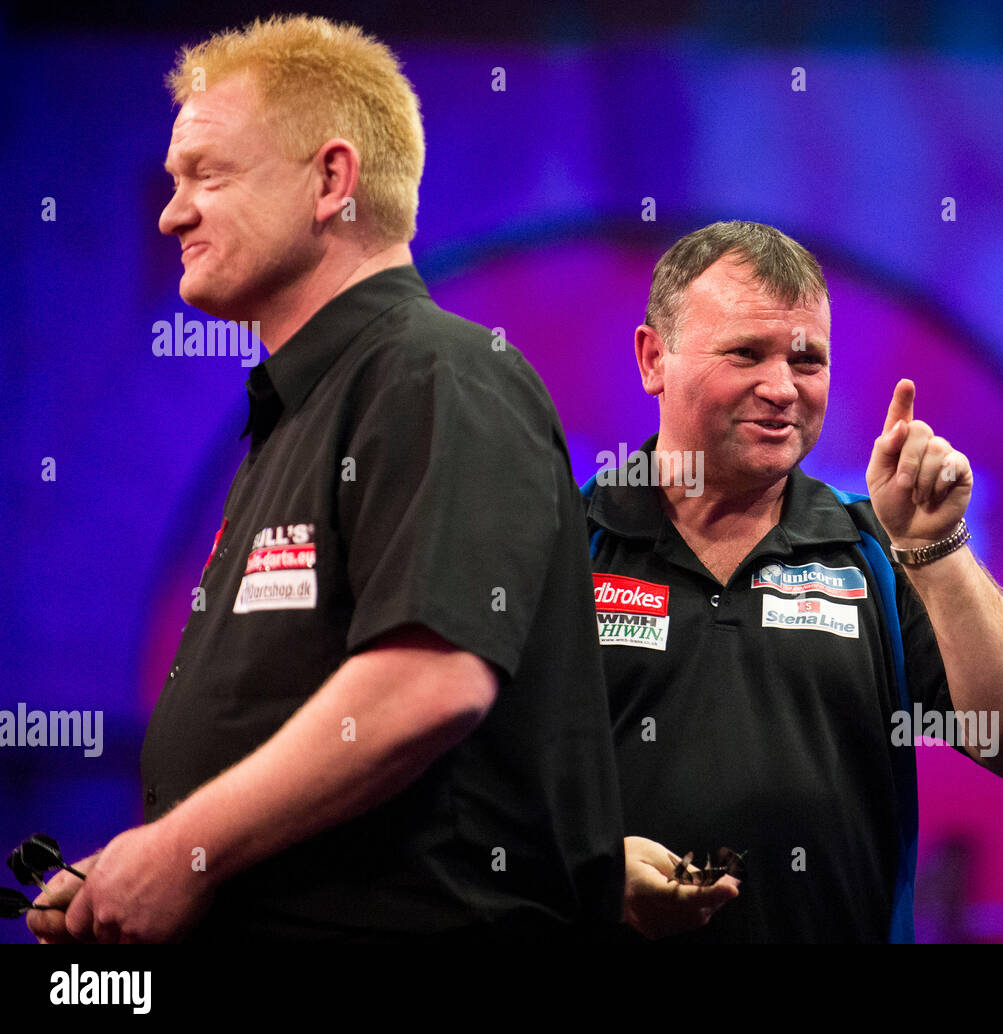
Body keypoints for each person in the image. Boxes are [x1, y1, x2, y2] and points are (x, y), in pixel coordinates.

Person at [28, 14, 623, 943]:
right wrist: (136, 872)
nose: (170, 212)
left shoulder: (438, 375)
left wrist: (184, 849)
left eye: (207, 176)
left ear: (331, 182)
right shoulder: (309, 409)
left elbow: (429, 680)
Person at [586, 220, 1003, 943]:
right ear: (654, 357)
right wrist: (587, 866)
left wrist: (936, 547)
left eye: (806, 358)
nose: (781, 387)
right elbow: (474, 786)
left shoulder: (877, 550)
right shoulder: (568, 542)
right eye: (746, 353)